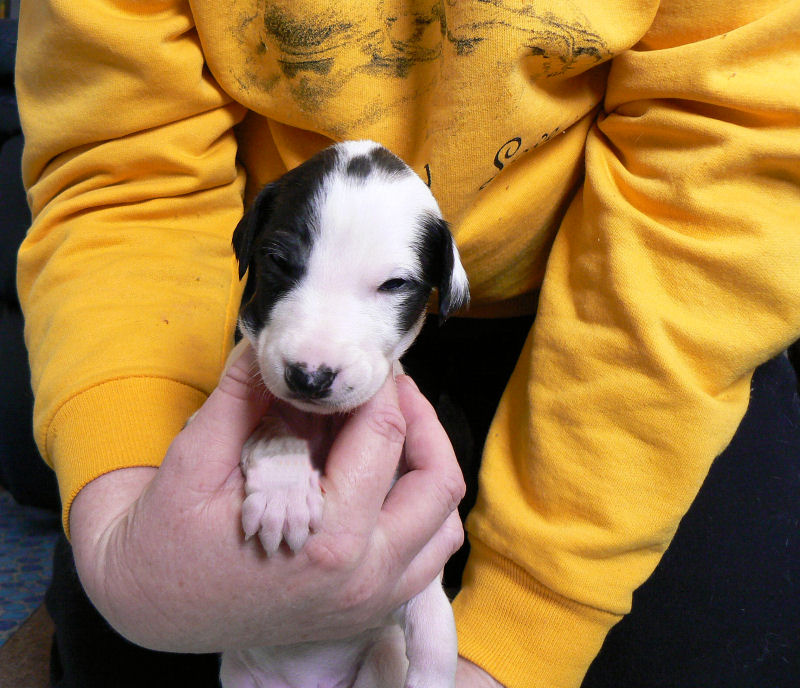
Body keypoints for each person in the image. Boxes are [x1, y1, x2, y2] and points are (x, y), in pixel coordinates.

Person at [13, 1, 800, 686]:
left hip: (617, 305)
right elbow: (124, 164)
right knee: (124, 654)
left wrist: (532, 614)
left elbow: (719, 165)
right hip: (221, 295)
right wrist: (125, 542)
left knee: (717, 643)